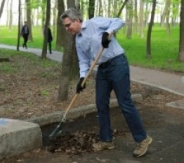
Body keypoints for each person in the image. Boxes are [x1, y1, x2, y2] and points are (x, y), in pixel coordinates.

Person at [60, 8, 152, 158]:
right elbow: (83, 62)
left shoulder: (95, 23)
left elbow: (119, 21)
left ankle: (143, 139)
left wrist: (107, 33)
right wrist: (82, 78)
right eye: (65, 26)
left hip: (117, 64)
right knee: (101, 103)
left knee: (125, 103)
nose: (67, 28)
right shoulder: (78, 40)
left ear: (77, 20)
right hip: (102, 69)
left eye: (68, 24)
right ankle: (106, 140)